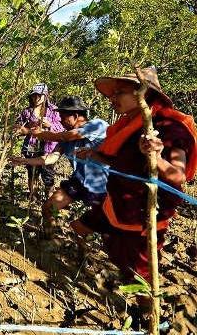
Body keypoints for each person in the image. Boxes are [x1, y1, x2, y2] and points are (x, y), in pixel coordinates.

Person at [72, 67, 197, 284]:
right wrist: (95, 155)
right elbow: (124, 164)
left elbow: (177, 176)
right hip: (115, 204)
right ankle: (87, 265)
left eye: (119, 92)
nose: (112, 98)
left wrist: (155, 156)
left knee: (140, 278)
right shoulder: (128, 126)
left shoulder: (169, 127)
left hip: (142, 216)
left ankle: (147, 316)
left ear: (143, 93)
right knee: (79, 228)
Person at [11, 96, 109, 238]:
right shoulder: (65, 137)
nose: (61, 121)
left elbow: (68, 136)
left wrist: (35, 133)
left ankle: (85, 252)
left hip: (103, 186)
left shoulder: (96, 125)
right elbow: (50, 158)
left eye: (63, 117)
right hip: (79, 181)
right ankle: (50, 239)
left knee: (98, 228)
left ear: (75, 116)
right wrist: (23, 161)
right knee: (48, 208)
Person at [14, 83, 64, 199]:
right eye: (34, 96)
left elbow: (61, 127)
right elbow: (19, 126)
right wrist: (20, 131)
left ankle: (50, 198)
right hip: (32, 145)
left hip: (49, 146)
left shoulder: (53, 111)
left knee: (48, 172)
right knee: (32, 172)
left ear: (45, 96)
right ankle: (33, 195)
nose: (36, 98)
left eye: (39, 96)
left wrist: (49, 125)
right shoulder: (27, 112)